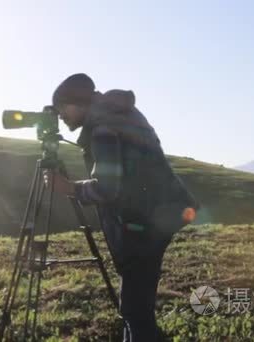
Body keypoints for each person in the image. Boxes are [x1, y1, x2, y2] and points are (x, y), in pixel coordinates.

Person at [44, 73, 198, 342]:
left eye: (62, 108)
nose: (60, 116)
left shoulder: (103, 128)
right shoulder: (116, 114)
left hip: (145, 220)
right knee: (138, 303)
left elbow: (107, 188)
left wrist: (68, 188)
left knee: (135, 310)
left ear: (79, 102)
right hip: (156, 214)